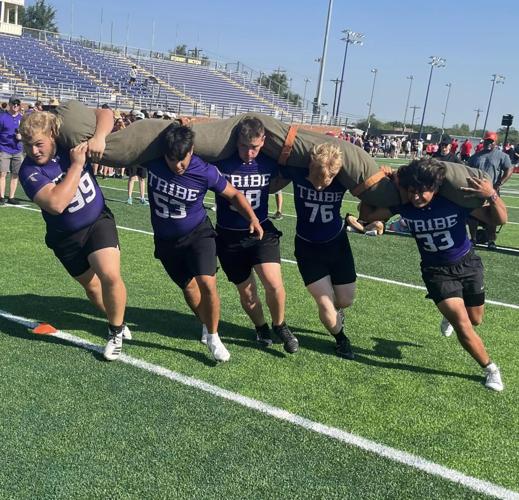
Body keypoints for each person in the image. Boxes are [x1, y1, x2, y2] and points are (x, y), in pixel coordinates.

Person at [359, 158, 507, 391]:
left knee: (475, 319)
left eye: (422, 192)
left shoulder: (454, 202)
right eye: (411, 191)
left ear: (436, 188)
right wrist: (373, 187)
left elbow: (499, 219)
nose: (416, 197)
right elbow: (367, 216)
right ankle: (491, 369)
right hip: (436, 271)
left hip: (467, 264)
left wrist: (491, 195)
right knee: (463, 324)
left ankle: (450, 314)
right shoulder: (404, 205)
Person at [144, 125, 264, 362]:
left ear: (192, 151)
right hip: (166, 240)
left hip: (198, 233)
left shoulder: (204, 170)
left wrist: (252, 218)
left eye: (182, 160)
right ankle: (205, 323)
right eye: (172, 160)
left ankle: (214, 336)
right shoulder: (152, 161)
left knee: (208, 284)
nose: (177, 166)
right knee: (189, 289)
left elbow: (234, 194)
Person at [18, 110, 130, 361]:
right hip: (65, 236)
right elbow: (56, 204)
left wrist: (99, 137)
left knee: (110, 275)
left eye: (39, 144)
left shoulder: (70, 143)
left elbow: (105, 113)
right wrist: (78, 165)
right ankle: (118, 321)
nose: (34, 151)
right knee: (92, 289)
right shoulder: (29, 171)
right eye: (28, 145)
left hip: (96, 220)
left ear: (53, 135)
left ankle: (114, 331)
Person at [214, 117, 298, 353]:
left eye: (255, 147)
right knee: (247, 292)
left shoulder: (269, 163)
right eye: (244, 146)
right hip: (229, 235)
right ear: (236, 142)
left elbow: (290, 170)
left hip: (261, 230)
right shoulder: (222, 162)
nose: (249, 153)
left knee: (273, 283)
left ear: (264, 142)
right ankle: (261, 326)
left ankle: (280, 325)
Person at [277, 143, 356, 359]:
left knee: (346, 300)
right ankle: (342, 340)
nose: (320, 187)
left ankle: (337, 313)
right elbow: (273, 176)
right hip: (307, 247)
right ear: (310, 166)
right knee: (325, 302)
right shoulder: (298, 170)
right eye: (316, 180)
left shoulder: (343, 178)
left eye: (326, 181)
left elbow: (369, 186)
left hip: (337, 243)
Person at [468, 131, 512, 248]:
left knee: (493, 218)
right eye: (487, 140)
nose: (489, 142)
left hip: (492, 191)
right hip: (476, 191)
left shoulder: (502, 156)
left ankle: (491, 241)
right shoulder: (475, 156)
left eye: (491, 141)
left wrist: (499, 183)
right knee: (472, 216)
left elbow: (509, 169)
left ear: (495, 142)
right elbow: (467, 170)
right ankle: (473, 239)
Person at [0, 96, 24, 205]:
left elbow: (27, 133)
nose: (16, 106)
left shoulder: (22, 118)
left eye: (17, 104)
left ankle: (11, 197)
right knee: (2, 173)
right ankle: (1, 197)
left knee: (16, 174)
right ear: (9, 104)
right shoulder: (2, 117)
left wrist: (21, 137)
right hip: (4, 149)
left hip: (18, 150)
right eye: (14, 104)